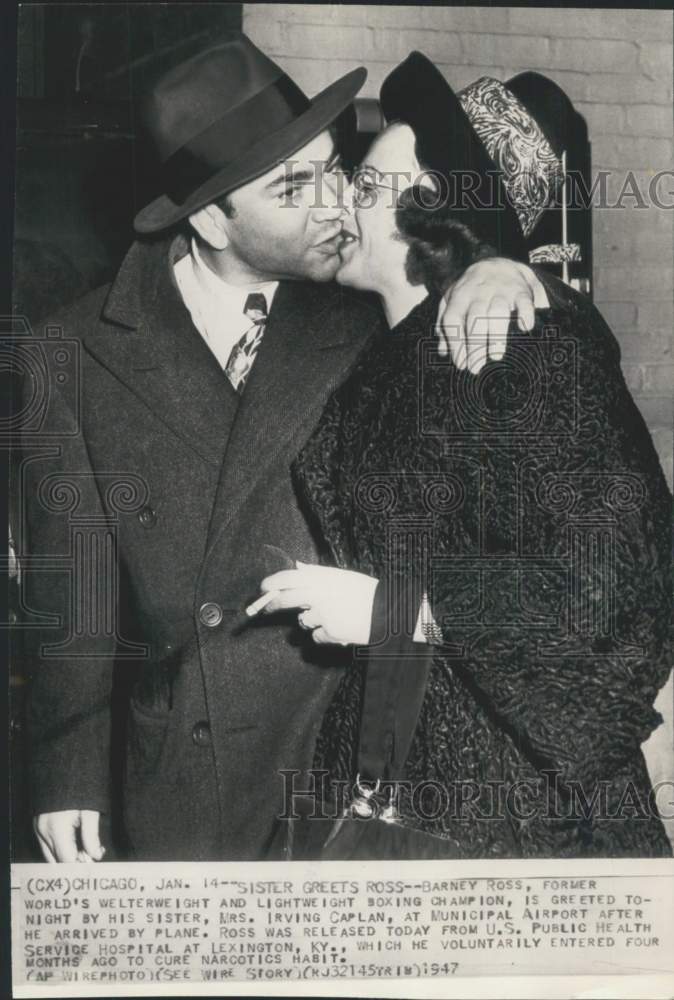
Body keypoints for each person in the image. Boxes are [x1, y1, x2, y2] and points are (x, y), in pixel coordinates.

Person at [19, 35, 548, 863]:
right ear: (210, 215)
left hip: (349, 751)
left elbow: (462, 272)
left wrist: (505, 271)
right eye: (294, 187)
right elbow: (75, 591)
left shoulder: (369, 308)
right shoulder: (74, 349)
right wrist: (66, 768)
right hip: (185, 772)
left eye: (334, 167)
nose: (336, 203)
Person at [259, 54, 673, 857]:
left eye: (369, 186)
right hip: (416, 776)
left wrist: (399, 611)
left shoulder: (526, 341)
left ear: (433, 215)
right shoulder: (396, 345)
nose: (343, 199)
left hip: (520, 810)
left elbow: (611, 578)